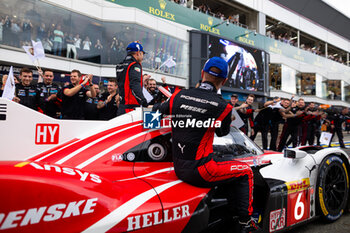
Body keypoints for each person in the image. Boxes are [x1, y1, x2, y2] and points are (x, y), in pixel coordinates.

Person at [154, 57, 258, 233]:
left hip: (178, 166)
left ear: (202, 74)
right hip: (202, 171)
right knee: (246, 171)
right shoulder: (223, 106)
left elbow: (156, 113)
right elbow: (222, 133)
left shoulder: (178, 96)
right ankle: (245, 224)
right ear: (223, 81)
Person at [116, 41, 148, 115]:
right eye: (142, 54)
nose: (143, 57)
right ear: (138, 53)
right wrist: (144, 102)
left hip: (121, 107)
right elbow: (134, 85)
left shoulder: (120, 65)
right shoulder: (135, 65)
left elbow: (125, 82)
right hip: (130, 109)